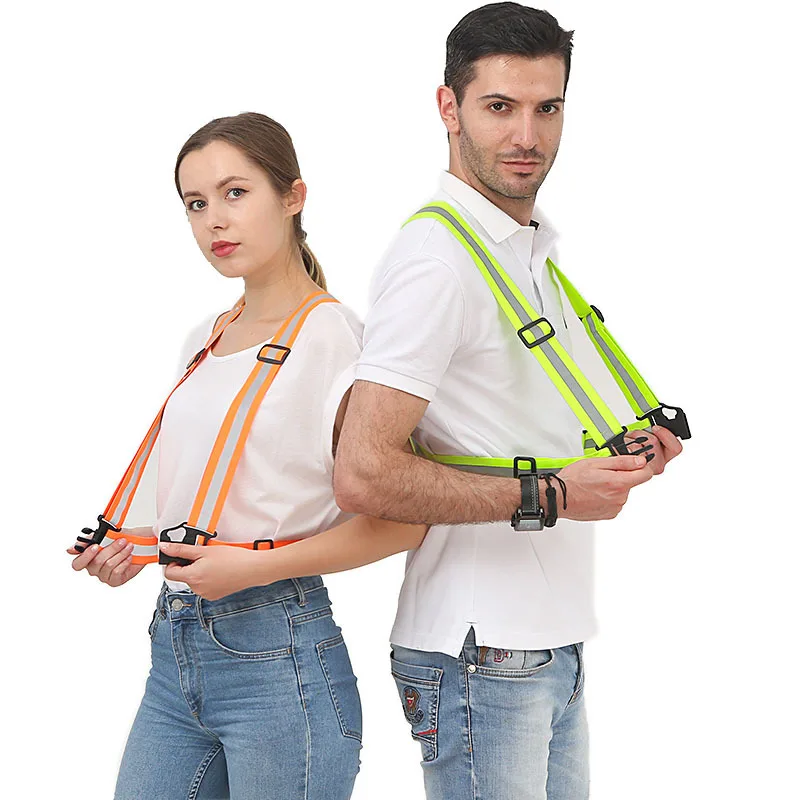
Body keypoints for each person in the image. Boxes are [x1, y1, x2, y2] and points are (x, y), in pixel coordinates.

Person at [333, 4, 684, 799]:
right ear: (448, 107)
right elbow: (362, 472)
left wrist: (618, 458)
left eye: (547, 107)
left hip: (548, 638)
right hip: (480, 650)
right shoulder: (437, 262)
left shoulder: (527, 251)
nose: (527, 135)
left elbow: (511, 424)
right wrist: (555, 494)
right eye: (499, 106)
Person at [66, 111, 427, 800]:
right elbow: (227, 500)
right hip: (174, 651)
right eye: (196, 204)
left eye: (235, 193)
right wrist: (133, 550)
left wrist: (253, 567)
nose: (215, 221)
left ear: (293, 196)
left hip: (278, 656)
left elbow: (403, 523)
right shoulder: (206, 338)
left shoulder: (337, 341)